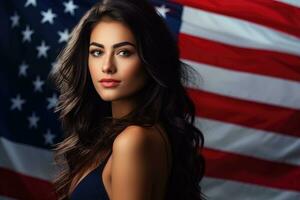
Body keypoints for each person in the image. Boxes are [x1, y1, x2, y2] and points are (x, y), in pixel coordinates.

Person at [48, 0, 205, 199]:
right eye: (97, 52)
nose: (107, 66)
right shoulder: (132, 134)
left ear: (151, 59)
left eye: (124, 52)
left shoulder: (133, 140)